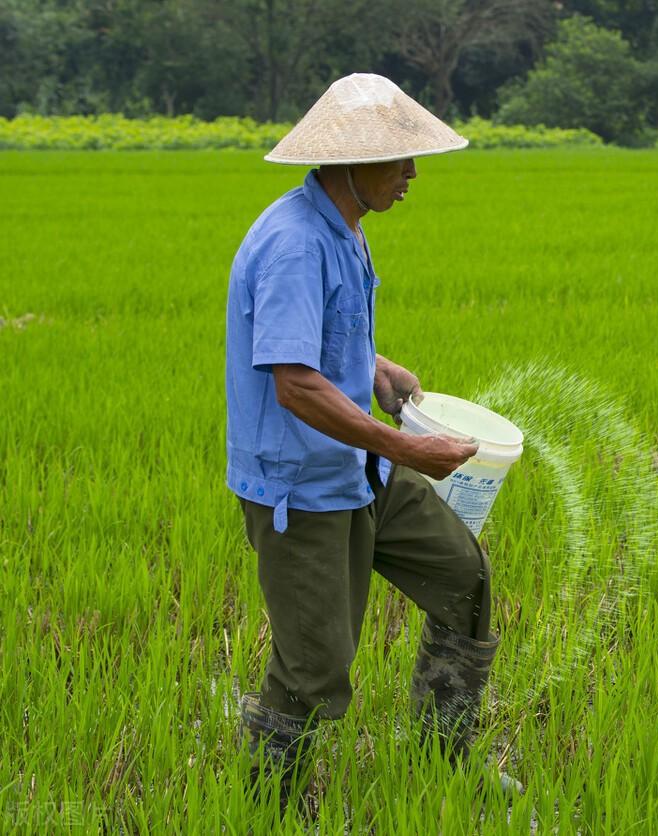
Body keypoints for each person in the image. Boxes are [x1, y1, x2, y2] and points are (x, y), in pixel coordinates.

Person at [224, 73, 518, 814]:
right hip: (303, 489)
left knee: (466, 581)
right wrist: (407, 449)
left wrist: (376, 368)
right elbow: (293, 384)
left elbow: (318, 348)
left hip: (359, 471)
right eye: (401, 159)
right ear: (350, 161)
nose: (414, 175)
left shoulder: (342, 228)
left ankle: (439, 761)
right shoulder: (294, 243)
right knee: (314, 670)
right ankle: (267, 809)